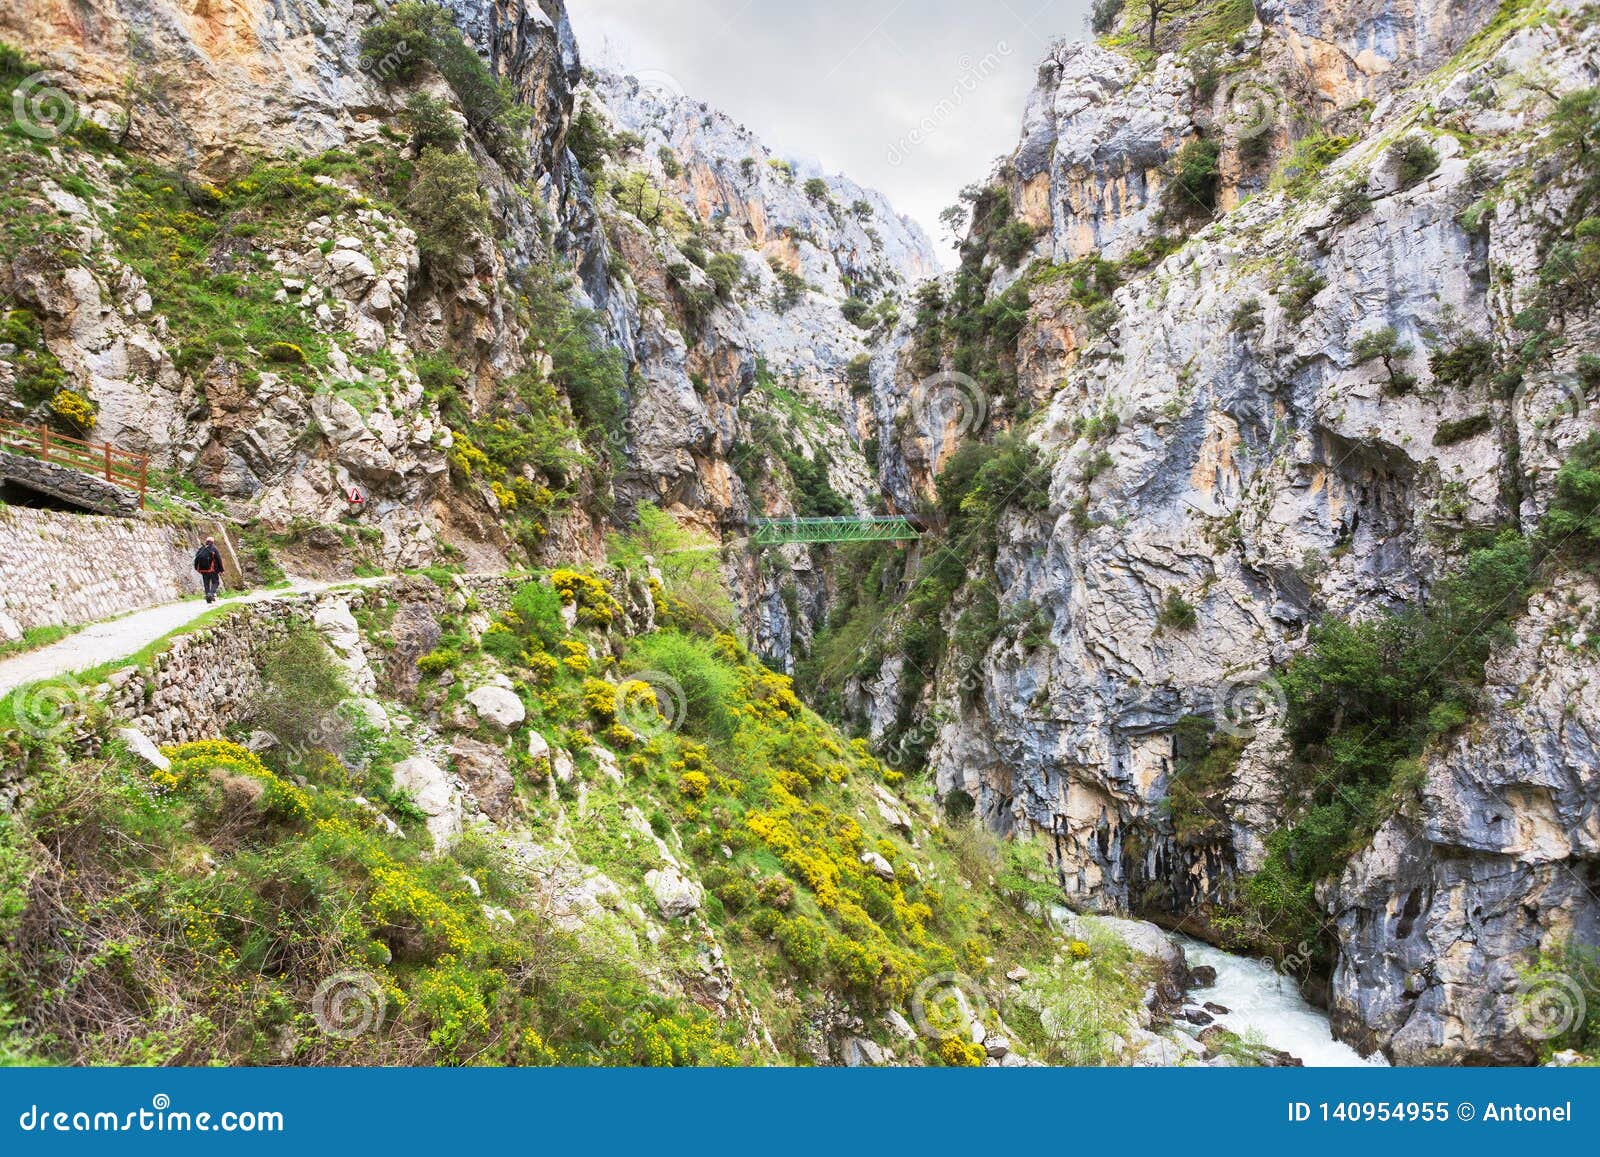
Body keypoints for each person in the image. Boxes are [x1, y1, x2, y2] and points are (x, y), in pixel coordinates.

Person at [194, 536, 225, 603]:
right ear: (212, 542)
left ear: (206, 541)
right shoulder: (213, 548)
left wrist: (197, 568)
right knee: (216, 582)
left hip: (203, 571)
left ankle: (208, 599)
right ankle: (210, 594)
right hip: (212, 570)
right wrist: (222, 570)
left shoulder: (202, 548)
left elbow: (196, 558)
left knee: (206, 584)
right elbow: (219, 559)